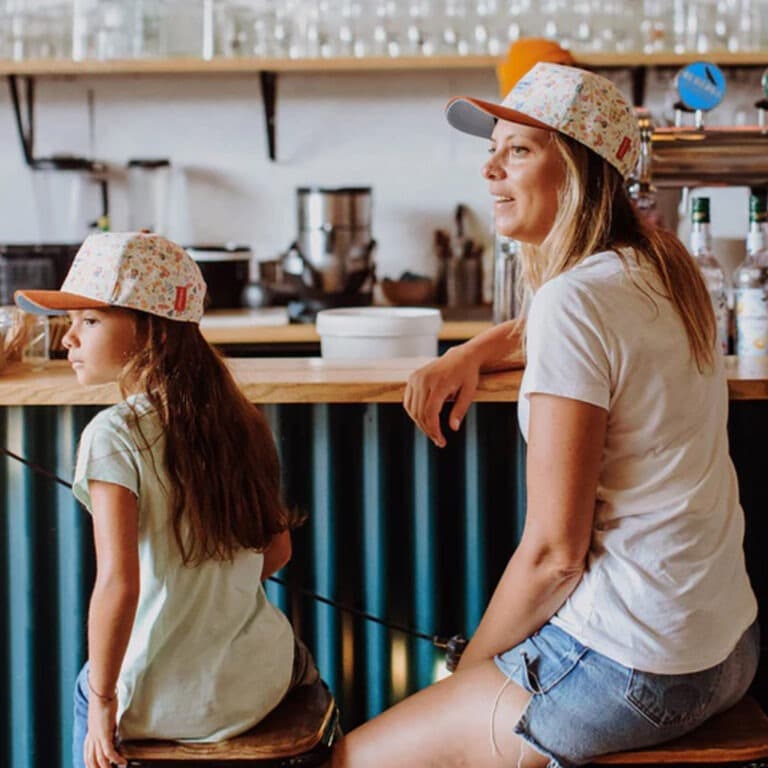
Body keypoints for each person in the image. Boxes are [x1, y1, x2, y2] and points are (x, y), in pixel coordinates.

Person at [331, 63, 759, 768]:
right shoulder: (665, 268)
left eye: (520, 150)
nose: (490, 168)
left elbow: (555, 557)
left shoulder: (576, 299)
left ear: (581, 174)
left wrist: (470, 676)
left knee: (351, 761)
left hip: (631, 669)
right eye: (492, 148)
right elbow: (563, 328)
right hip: (724, 651)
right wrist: (472, 350)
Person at [15, 232, 318, 768]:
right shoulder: (244, 419)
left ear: (149, 329)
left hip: (157, 706)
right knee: (297, 662)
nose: (68, 339)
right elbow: (278, 552)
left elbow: (119, 584)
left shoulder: (112, 435)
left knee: (89, 689)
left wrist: (104, 701)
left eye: (90, 321)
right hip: (255, 688)